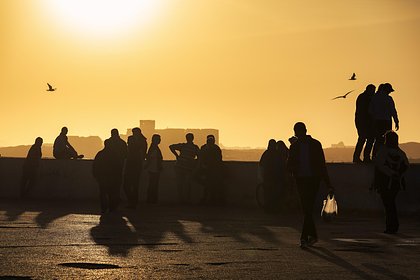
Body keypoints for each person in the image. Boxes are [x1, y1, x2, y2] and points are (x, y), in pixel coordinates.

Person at [287, 122, 334, 248]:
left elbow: (289, 166)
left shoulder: (299, 146)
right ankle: (311, 236)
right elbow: (322, 166)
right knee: (307, 209)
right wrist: (328, 183)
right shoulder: (310, 145)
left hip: (309, 180)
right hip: (306, 180)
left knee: (307, 209)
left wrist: (328, 183)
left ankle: (305, 237)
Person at [373, 131, 409, 234]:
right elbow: (406, 165)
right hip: (396, 184)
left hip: (385, 183)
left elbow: (379, 166)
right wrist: (397, 174)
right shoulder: (401, 153)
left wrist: (391, 174)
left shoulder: (382, 152)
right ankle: (393, 226)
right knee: (390, 204)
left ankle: (391, 227)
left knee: (389, 205)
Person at [370, 83, 399, 158]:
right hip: (387, 121)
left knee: (378, 139)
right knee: (387, 140)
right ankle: (384, 157)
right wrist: (396, 121)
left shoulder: (374, 97)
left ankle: (374, 156)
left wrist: (373, 119)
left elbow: (370, 110)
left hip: (377, 121)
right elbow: (393, 111)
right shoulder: (389, 99)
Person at [169, 133, 200, 203]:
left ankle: (181, 199)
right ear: (193, 138)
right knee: (187, 184)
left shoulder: (183, 146)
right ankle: (186, 199)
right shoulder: (195, 147)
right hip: (187, 168)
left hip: (180, 167)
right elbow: (200, 157)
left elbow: (171, 147)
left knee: (181, 184)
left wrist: (177, 156)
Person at [92, 140, 121, 213]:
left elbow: (95, 165)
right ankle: (112, 208)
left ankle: (104, 208)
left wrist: (96, 175)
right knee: (112, 193)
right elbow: (118, 166)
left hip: (102, 177)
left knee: (103, 193)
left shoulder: (100, 154)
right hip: (112, 177)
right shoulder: (115, 154)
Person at [123, 127, 147, 208]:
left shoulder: (141, 141)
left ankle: (133, 202)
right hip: (133, 164)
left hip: (134, 164)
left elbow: (142, 153)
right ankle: (132, 202)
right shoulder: (139, 140)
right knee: (129, 185)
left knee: (133, 185)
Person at [105, 128, 128, 209]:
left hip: (109, 168)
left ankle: (112, 200)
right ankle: (116, 199)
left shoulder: (108, 142)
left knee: (110, 185)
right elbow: (126, 155)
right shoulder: (122, 143)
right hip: (119, 167)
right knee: (117, 185)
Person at [199, 135, 224, 205]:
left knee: (208, 185)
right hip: (212, 169)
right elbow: (219, 159)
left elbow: (201, 158)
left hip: (209, 169)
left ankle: (207, 199)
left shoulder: (204, 148)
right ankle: (210, 199)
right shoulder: (216, 148)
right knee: (211, 185)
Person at [353, 84, 376, 163]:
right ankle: (364, 157)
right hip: (363, 122)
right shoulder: (365, 98)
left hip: (361, 121)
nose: (374, 92)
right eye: (373, 91)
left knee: (364, 139)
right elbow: (366, 111)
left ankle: (359, 157)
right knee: (366, 139)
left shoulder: (362, 97)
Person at [259, 139, 282, 213]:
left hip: (269, 177)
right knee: (274, 193)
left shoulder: (266, 153)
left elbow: (261, 165)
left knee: (268, 193)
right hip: (275, 177)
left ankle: (268, 208)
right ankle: (273, 208)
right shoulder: (277, 154)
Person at [144, 134, 163, 203]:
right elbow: (150, 158)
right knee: (153, 185)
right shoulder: (154, 148)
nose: (160, 140)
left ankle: (151, 199)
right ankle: (152, 199)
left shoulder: (153, 147)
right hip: (154, 169)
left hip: (153, 169)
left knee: (152, 185)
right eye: (159, 139)